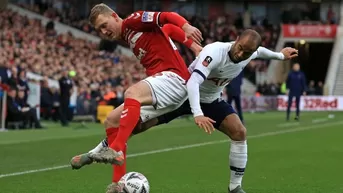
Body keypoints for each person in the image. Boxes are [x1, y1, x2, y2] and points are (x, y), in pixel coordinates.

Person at [72, 29, 298, 193]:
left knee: (239, 132)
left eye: (247, 52)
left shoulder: (251, 52)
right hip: (182, 95)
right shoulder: (214, 52)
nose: (241, 54)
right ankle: (94, 154)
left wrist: (280, 55)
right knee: (135, 127)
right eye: (240, 48)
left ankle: (235, 187)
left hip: (210, 100)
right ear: (235, 39)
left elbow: (262, 52)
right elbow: (192, 84)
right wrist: (197, 113)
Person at [71, 3, 202, 192]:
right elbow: (167, 29)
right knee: (112, 121)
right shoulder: (129, 35)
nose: (104, 31)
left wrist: (187, 27)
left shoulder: (133, 20)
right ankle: (117, 184)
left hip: (175, 78)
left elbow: (167, 17)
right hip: (163, 84)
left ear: (115, 16)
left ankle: (113, 149)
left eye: (104, 24)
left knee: (132, 93)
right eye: (99, 30)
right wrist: (193, 46)